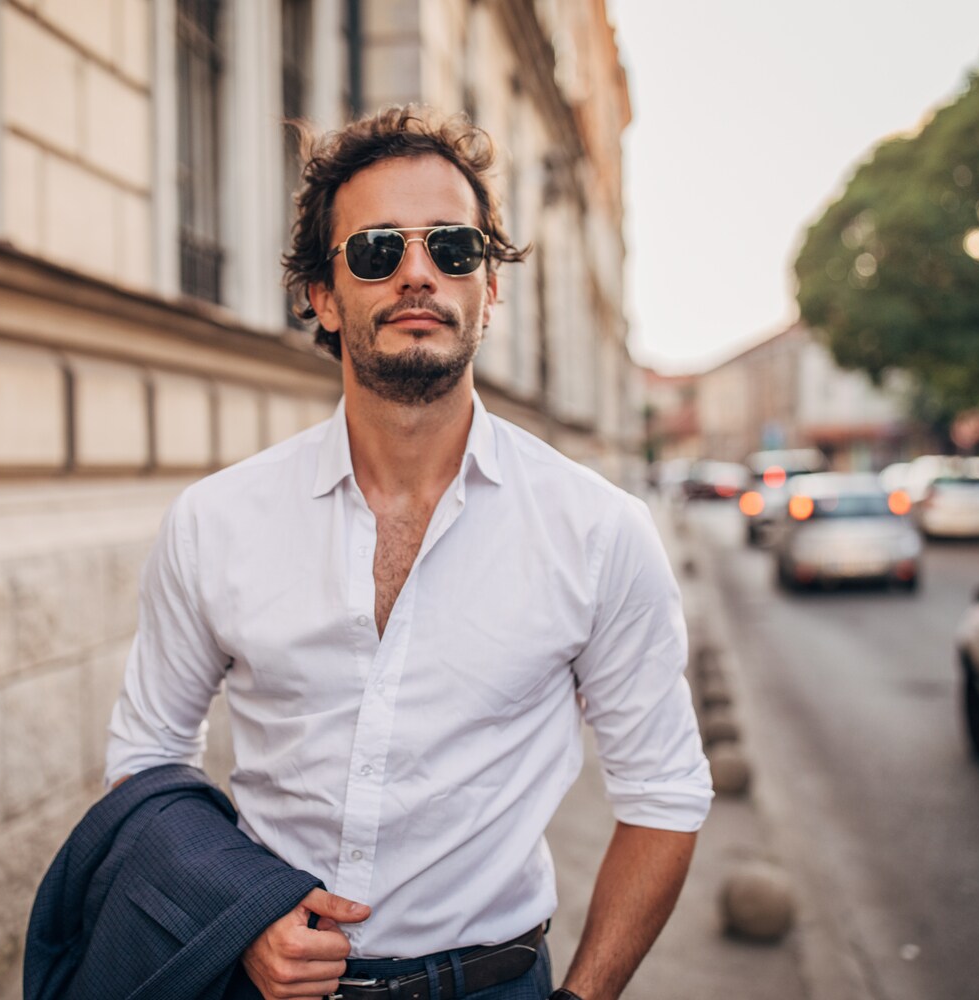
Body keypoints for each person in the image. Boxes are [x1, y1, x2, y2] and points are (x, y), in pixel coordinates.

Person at [106, 106, 712, 1000]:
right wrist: (234, 909)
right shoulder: (217, 521)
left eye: (454, 248)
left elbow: (663, 795)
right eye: (379, 250)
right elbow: (148, 756)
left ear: (488, 288)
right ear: (322, 294)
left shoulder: (599, 530)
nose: (419, 274)